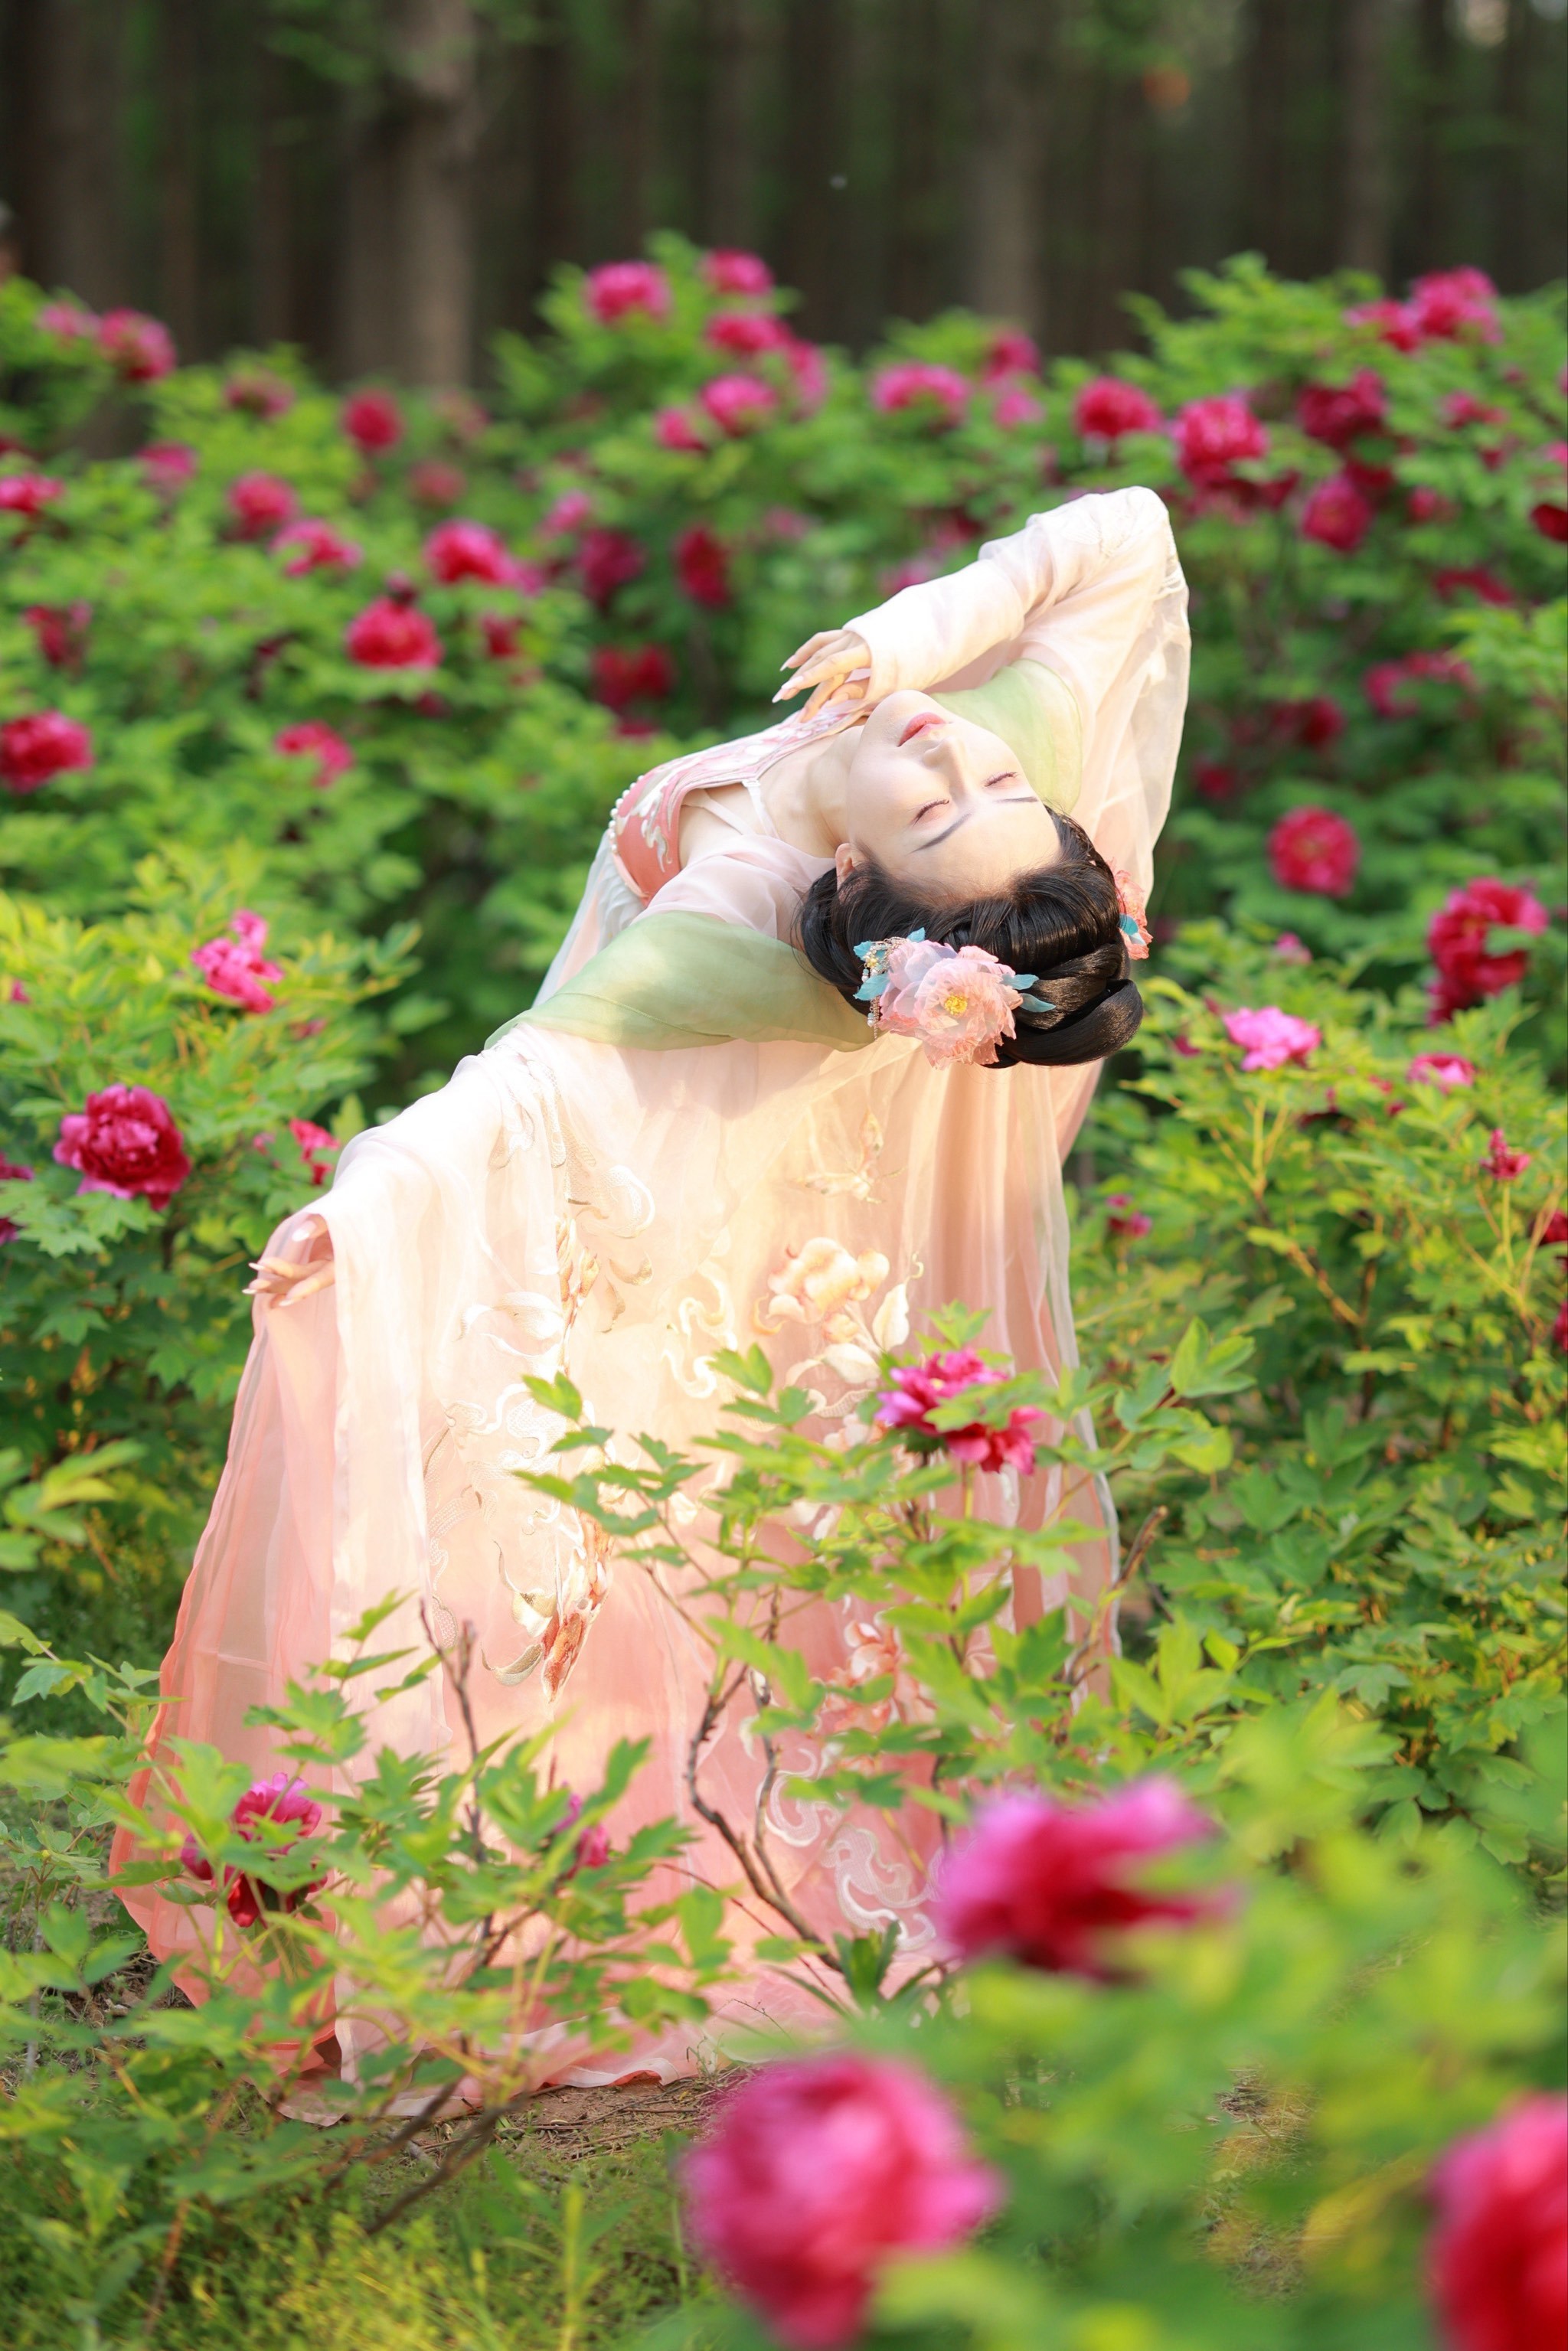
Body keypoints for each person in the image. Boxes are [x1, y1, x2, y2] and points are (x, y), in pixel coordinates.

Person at [113, 485, 1189, 2080]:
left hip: (696, 1161)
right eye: (972, 768)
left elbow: (525, 1079)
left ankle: (629, 1837)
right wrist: (915, 636)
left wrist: (380, 1198)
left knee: (648, 1496)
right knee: (672, 1493)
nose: (947, 751)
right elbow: (1132, 536)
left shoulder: (737, 908)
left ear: (860, 888)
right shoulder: (971, 723)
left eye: (940, 801)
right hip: (711, 1162)